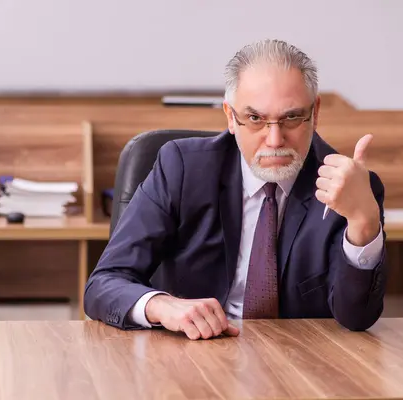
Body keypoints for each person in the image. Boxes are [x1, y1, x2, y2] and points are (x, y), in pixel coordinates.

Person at [84, 39, 386, 340]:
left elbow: (356, 318)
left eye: (291, 117)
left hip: (300, 360)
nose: (274, 140)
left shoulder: (349, 188)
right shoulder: (182, 168)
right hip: (195, 354)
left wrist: (364, 222)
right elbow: (104, 283)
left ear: (315, 112)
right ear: (230, 116)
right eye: (255, 118)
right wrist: (162, 306)